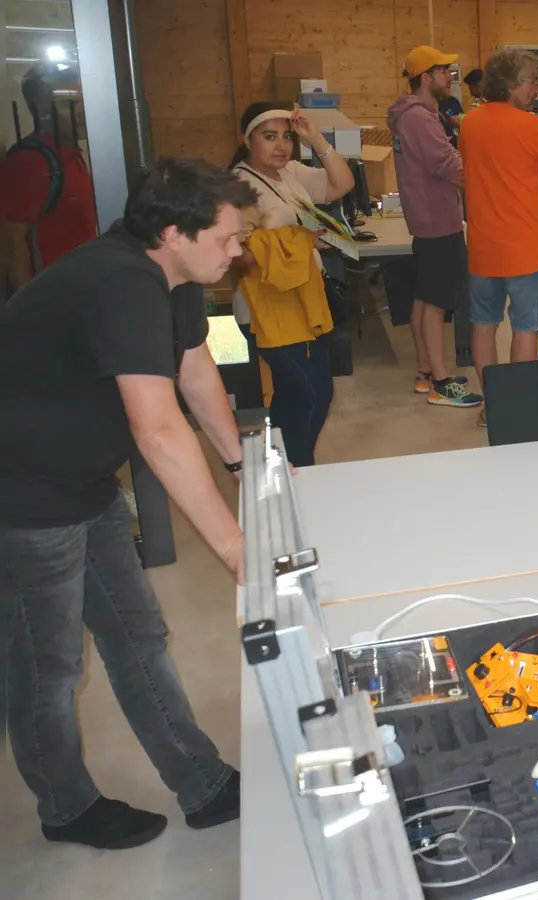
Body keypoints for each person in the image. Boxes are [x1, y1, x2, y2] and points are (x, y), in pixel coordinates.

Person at [0, 157, 252, 849]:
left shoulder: (174, 278)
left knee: (137, 636)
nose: (238, 251)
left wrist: (242, 464)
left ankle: (202, 783)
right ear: (175, 233)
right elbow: (159, 429)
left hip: (83, 481)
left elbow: (194, 369)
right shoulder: (119, 281)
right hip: (24, 495)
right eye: (228, 238)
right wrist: (236, 549)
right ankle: (66, 808)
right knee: (49, 665)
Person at [229, 102, 354, 466]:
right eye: (270, 137)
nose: (281, 146)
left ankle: (282, 466)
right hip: (266, 308)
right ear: (247, 139)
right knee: (310, 393)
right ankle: (298, 469)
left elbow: (342, 184)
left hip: (303, 301)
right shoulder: (238, 187)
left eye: (286, 137)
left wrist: (315, 138)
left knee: (301, 393)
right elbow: (234, 254)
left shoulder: (289, 172)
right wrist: (300, 241)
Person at [461, 48, 538, 424]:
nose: (537, 89)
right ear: (511, 84)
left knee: (483, 325)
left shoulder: (470, 124)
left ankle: (492, 405)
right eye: (532, 81)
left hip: (482, 247)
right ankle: (518, 406)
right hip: (525, 249)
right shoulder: (531, 126)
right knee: (526, 328)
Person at [389, 45, 481, 410]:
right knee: (437, 302)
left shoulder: (417, 115)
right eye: (444, 71)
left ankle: (427, 370)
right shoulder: (419, 118)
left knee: (425, 296)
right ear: (426, 78)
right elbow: (450, 167)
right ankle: (441, 382)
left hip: (429, 217)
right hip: (437, 219)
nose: (450, 77)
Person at [1, 65, 97, 295]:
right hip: (51, 300)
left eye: (83, 101)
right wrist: (28, 307)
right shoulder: (32, 161)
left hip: (79, 292)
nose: (81, 112)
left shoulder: (70, 155)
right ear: (42, 110)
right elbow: (12, 241)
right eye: (68, 104)